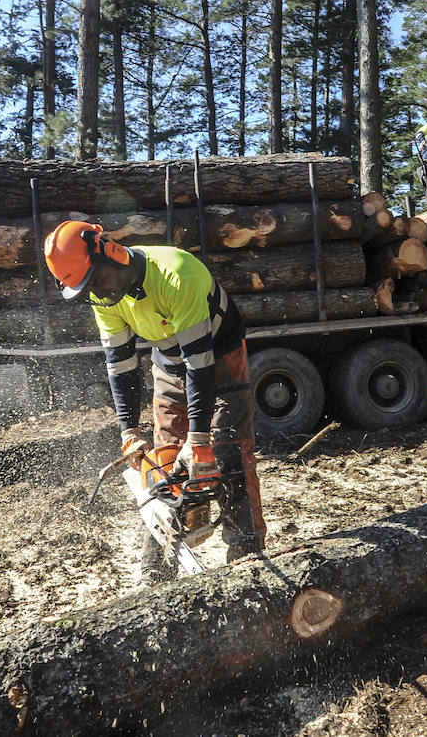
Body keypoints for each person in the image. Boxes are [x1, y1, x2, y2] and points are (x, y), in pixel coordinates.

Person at [43, 220, 266, 581]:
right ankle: (157, 571)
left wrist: (199, 440)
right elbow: (120, 364)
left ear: (111, 252)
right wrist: (129, 429)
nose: (97, 293)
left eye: (96, 281)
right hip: (168, 361)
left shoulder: (176, 272)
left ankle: (247, 556)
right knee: (162, 463)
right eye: (87, 289)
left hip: (219, 357)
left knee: (227, 454)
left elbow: (200, 364)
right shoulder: (104, 296)